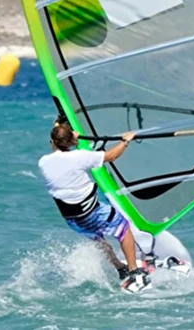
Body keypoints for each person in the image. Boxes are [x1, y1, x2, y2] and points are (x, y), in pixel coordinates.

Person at [38, 119, 150, 292]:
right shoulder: (81, 157)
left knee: (98, 238)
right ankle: (134, 271)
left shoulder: (43, 162)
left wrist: (68, 135)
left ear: (52, 142)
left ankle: (120, 268)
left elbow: (62, 150)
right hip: (91, 212)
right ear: (71, 141)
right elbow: (111, 156)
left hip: (72, 219)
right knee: (123, 228)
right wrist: (125, 140)